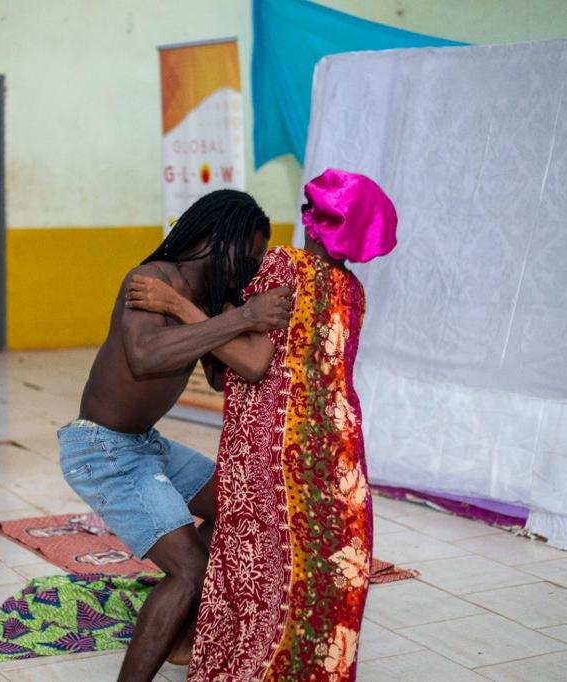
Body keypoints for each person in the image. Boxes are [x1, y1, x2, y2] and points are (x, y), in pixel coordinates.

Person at [125, 169, 397, 680]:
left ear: (310, 221)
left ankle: (240, 668)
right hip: (337, 454)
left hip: (275, 449)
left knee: (253, 564)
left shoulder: (282, 264)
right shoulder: (353, 293)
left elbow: (252, 358)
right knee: (317, 573)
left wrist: (177, 305)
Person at [57, 189, 292, 681]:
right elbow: (144, 358)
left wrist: (223, 319)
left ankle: (182, 637)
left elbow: (238, 369)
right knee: (189, 569)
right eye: (246, 254)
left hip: (146, 444)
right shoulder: (150, 279)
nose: (249, 269)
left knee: (239, 504)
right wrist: (243, 318)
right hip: (101, 446)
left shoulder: (211, 301)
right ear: (214, 238)